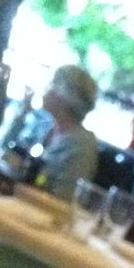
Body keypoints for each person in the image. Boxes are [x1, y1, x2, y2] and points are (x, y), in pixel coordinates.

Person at [37, 65, 100, 203]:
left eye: (51, 84)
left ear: (66, 97)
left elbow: (63, 200)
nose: (45, 90)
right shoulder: (46, 127)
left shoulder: (82, 146)